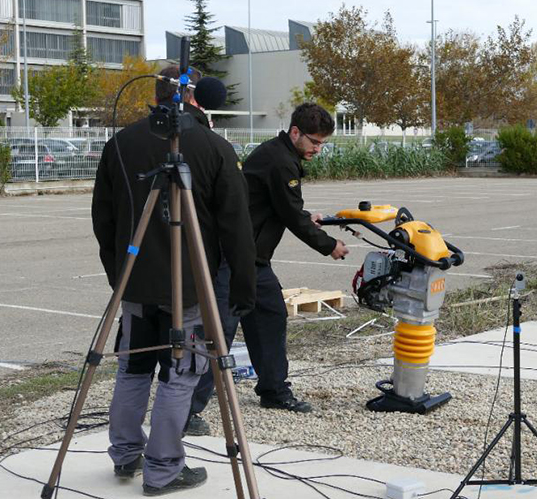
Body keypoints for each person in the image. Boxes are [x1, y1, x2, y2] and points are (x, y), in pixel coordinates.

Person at [92, 65, 256, 495]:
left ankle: (126, 454)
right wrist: (243, 284)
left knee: (133, 366)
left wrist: (117, 275)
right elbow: (237, 225)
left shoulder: (121, 143)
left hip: (135, 281)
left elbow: (103, 219)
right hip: (189, 282)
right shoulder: (213, 147)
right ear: (195, 96)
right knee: (180, 373)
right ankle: (163, 469)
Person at [228, 102, 348, 414]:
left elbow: (282, 206)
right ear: (295, 132)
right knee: (219, 329)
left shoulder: (278, 154)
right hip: (234, 258)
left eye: (322, 142)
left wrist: (308, 216)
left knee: (270, 315)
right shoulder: (281, 162)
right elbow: (291, 215)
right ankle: (188, 407)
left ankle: (273, 390)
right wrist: (329, 244)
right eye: (314, 141)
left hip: (253, 258)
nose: (318, 149)